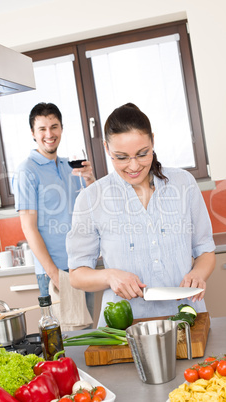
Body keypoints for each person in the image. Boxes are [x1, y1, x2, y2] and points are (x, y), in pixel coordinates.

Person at [66, 103, 216, 327]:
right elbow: (77, 274)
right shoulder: (90, 199)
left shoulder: (184, 183)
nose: (134, 166)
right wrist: (109, 276)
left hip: (186, 318)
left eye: (142, 154)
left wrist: (198, 273)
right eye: (121, 157)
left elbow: (205, 250)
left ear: (153, 141)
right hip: (123, 326)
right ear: (107, 148)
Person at [13, 102, 95, 297]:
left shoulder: (70, 167)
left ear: (61, 129)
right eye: (42, 129)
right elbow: (28, 227)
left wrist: (91, 180)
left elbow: (93, 207)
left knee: (87, 328)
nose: (49, 134)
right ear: (33, 133)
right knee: (59, 328)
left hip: (81, 266)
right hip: (55, 272)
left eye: (54, 127)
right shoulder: (27, 170)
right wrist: (54, 274)